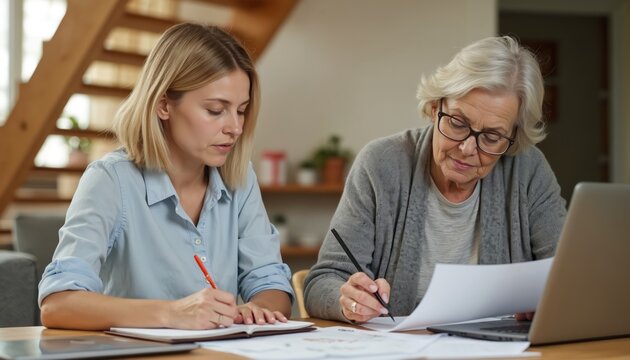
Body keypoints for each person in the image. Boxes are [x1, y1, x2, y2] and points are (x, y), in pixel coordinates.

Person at [39, 23, 294, 330]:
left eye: (241, 110)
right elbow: (58, 304)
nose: (235, 128)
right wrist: (172, 313)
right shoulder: (111, 180)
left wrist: (259, 308)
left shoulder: (240, 178)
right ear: (163, 105)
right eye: (215, 110)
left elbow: (271, 283)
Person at [304, 36, 567, 323]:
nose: (467, 148)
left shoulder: (528, 171)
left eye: (492, 137)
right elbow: (322, 282)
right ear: (434, 108)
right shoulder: (381, 164)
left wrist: (550, 299)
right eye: (457, 123)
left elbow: (568, 273)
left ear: (513, 137)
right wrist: (348, 300)